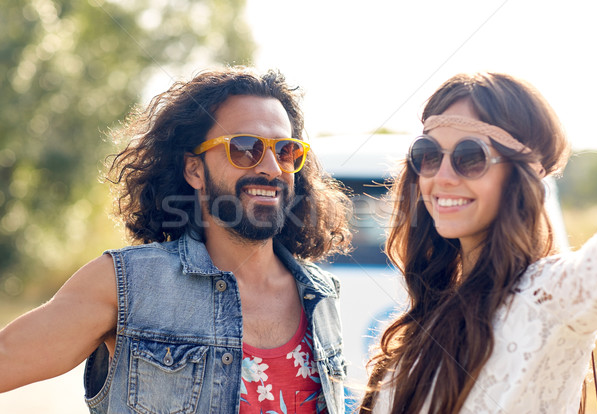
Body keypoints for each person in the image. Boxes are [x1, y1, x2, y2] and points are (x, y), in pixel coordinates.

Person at [0, 67, 353, 413]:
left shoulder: (321, 296)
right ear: (194, 169)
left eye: (285, 151)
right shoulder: (126, 285)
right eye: (245, 148)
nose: (272, 168)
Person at [360, 72, 597, 413]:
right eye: (428, 154)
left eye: (470, 157)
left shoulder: (549, 296)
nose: (442, 176)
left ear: (522, 174)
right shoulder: (426, 314)